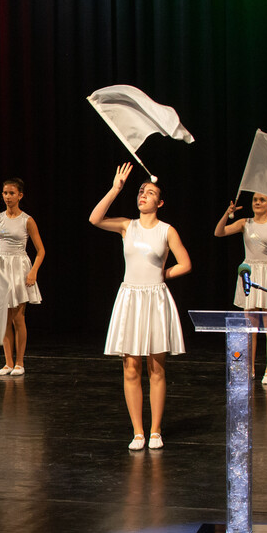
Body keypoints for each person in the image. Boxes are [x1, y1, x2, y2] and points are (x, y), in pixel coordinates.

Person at [89, 163, 191, 451]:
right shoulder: (127, 225)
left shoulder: (167, 231)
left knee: (156, 368)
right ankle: (138, 432)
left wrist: (163, 274)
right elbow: (95, 219)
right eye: (141, 191)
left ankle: (155, 430)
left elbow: (185, 264)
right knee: (130, 368)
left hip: (155, 299)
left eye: (150, 192)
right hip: (130, 298)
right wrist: (115, 189)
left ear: (160, 202)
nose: (143, 194)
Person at [214, 194, 267, 384]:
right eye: (255, 199)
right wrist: (227, 213)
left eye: (262, 200)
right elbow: (219, 232)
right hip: (249, 273)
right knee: (250, 326)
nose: (257, 202)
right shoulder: (245, 223)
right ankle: (250, 368)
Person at [0, 178, 45, 376]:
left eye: (12, 193)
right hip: (2, 267)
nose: (8, 196)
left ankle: (20, 363)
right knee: (4, 317)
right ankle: (8, 363)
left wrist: (33, 271)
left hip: (19, 267)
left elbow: (41, 250)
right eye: (5, 193)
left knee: (18, 317)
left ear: (20, 195)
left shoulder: (27, 220)